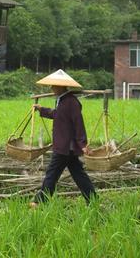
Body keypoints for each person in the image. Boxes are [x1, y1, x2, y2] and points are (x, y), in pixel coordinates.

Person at [30, 69, 97, 207]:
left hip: (66, 146)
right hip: (67, 147)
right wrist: (41, 109)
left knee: (52, 174)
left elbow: (78, 123)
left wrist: (83, 143)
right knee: (78, 174)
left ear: (61, 86)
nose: (52, 88)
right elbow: (57, 115)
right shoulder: (62, 100)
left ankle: (40, 202)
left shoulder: (71, 102)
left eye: (54, 85)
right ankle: (93, 199)